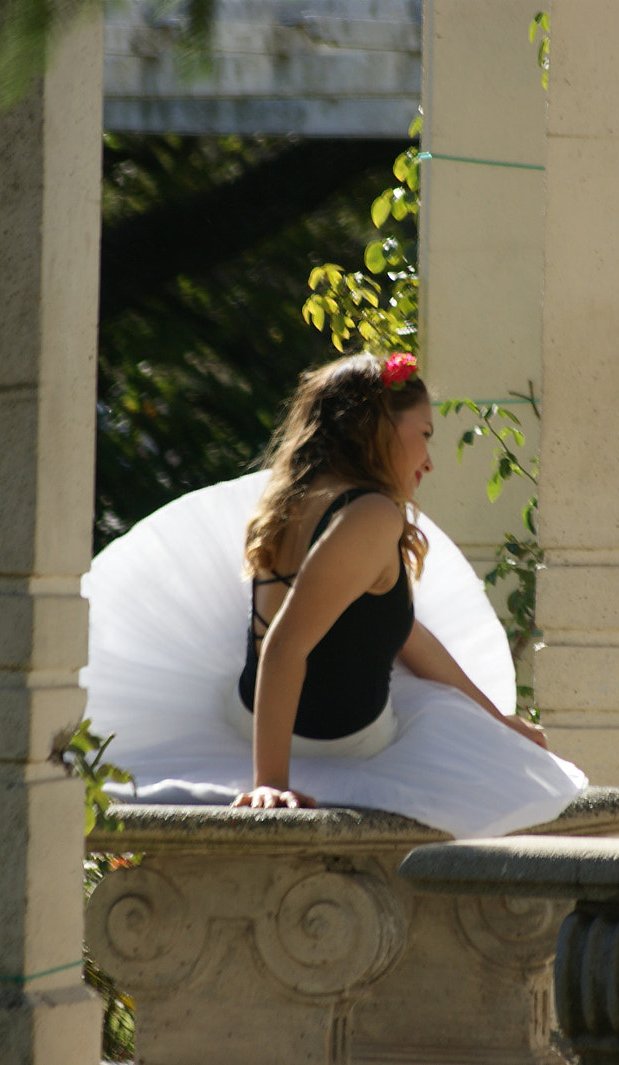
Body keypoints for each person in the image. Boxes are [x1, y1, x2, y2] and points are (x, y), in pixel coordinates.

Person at [81, 353, 586, 838]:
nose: (429, 462)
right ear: (381, 429)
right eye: (425, 435)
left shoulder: (295, 498)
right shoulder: (370, 514)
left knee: (417, 669)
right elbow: (285, 645)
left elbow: (398, 629)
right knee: (501, 764)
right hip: (336, 746)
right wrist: (270, 786)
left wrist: (496, 721)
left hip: (250, 714)